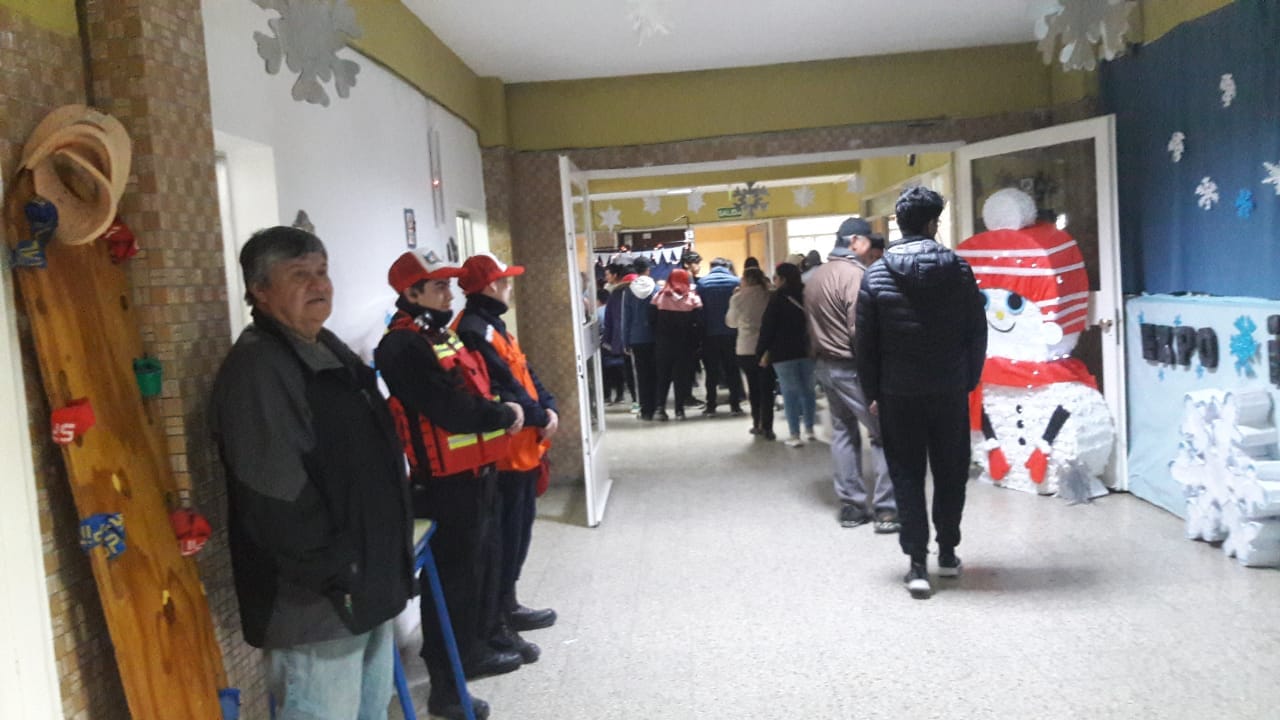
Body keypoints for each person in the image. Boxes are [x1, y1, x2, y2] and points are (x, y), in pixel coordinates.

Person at [211, 227, 413, 720]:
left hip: (363, 585)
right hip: (317, 605)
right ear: (260, 290)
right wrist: (340, 571)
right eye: (299, 275)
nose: (318, 284)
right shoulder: (259, 368)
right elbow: (275, 497)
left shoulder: (326, 347)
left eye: (321, 271)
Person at [375, 251, 527, 719]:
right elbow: (447, 407)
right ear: (410, 293)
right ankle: (446, 689)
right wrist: (504, 415)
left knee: (477, 574)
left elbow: (475, 390)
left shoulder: (438, 334)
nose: (448, 291)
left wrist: (502, 407)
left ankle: (472, 654)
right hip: (443, 486)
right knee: (455, 585)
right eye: (436, 285)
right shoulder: (401, 348)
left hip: (475, 475)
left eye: (447, 284)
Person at [856, 186, 988, 599]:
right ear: (933, 224)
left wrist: (872, 391)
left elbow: (865, 343)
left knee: (906, 474)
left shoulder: (875, 274)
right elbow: (976, 332)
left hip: (898, 394)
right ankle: (947, 553)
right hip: (948, 389)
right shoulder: (961, 270)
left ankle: (917, 565)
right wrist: (968, 379)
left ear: (900, 223)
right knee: (951, 473)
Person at [453, 252, 560, 638]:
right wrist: (538, 416)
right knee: (503, 539)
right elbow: (500, 388)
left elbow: (525, 372)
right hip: (504, 457)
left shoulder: (494, 326)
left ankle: (508, 604)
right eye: (506, 281)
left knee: (519, 533)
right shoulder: (472, 330)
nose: (510, 288)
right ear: (490, 286)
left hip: (524, 452)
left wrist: (548, 406)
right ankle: (498, 614)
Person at [806, 217, 898, 532]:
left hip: (825, 366)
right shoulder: (855, 277)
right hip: (853, 368)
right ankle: (887, 509)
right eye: (867, 242)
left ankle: (852, 506)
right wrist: (876, 377)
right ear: (854, 241)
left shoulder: (816, 277)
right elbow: (861, 332)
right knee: (886, 433)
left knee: (843, 432)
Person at [757, 262, 816, 447]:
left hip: (782, 353)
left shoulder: (777, 298)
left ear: (782, 279)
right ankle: (810, 429)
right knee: (808, 390)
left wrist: (761, 351)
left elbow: (768, 328)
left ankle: (794, 434)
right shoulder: (809, 294)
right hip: (807, 350)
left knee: (790, 392)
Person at [725, 267, 775, 439]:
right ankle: (768, 426)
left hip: (746, 347)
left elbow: (731, 323)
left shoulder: (738, 298)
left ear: (745, 279)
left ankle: (757, 423)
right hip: (768, 347)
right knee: (767, 388)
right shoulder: (770, 295)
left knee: (753, 388)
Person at [651, 268, 703, 421]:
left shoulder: (659, 297)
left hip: (663, 344)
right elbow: (699, 323)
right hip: (685, 346)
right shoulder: (693, 299)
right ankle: (679, 410)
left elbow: (651, 321)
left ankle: (660, 408)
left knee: (663, 377)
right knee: (681, 378)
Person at [695, 257, 745, 417]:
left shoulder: (702, 284)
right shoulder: (736, 281)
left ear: (711, 267)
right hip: (732, 333)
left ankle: (711, 406)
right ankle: (735, 405)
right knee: (733, 370)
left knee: (711, 372)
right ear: (726, 267)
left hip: (709, 335)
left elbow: (699, 311)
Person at [622, 258, 660, 420]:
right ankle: (659, 406)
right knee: (657, 374)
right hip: (655, 337)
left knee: (642, 376)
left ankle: (646, 410)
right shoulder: (656, 288)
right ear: (648, 270)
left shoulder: (629, 291)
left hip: (637, 339)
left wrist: (625, 341)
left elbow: (626, 319)